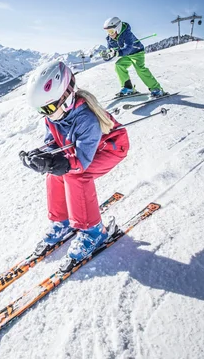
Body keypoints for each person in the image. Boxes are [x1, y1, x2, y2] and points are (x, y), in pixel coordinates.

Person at [19, 60, 130, 268]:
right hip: (84, 151)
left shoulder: (87, 119)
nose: (47, 114)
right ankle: (62, 222)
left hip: (110, 148)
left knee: (76, 176)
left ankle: (94, 232)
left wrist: (60, 163)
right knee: (54, 174)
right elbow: (53, 142)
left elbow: (81, 162)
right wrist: (41, 156)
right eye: (41, 110)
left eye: (50, 107)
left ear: (67, 96)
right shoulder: (53, 115)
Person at [103, 17, 164, 98]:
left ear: (118, 28)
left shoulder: (127, 33)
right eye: (107, 32)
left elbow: (128, 48)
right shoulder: (110, 39)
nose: (110, 34)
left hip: (137, 52)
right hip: (127, 55)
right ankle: (128, 88)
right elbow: (111, 51)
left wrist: (117, 53)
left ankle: (157, 89)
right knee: (119, 65)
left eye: (111, 31)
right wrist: (107, 55)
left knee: (139, 68)